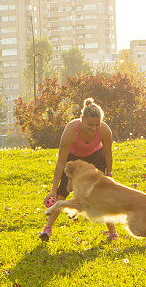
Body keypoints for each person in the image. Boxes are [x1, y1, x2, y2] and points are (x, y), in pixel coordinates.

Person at [40, 98, 118, 242]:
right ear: (81, 119)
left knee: (101, 194)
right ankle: (48, 229)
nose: (94, 128)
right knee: (62, 193)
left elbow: (108, 154)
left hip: (96, 157)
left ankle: (112, 233)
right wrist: (53, 190)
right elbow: (61, 162)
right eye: (90, 125)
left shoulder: (105, 130)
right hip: (73, 159)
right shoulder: (71, 130)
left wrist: (109, 174)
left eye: (97, 124)